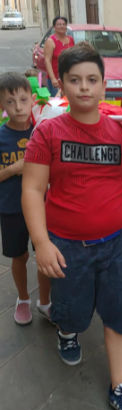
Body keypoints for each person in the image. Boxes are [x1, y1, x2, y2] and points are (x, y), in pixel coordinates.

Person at [22, 42, 122, 410]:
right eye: (75, 80)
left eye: (92, 80)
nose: (84, 88)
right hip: (67, 244)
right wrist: (41, 243)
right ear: (64, 86)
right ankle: (68, 331)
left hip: (120, 241)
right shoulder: (48, 132)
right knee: (69, 309)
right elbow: (34, 190)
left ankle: (120, 386)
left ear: (104, 85)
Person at [0, 72, 51, 325]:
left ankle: (45, 300)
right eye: (10, 102)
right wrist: (13, 169)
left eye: (23, 100)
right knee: (18, 256)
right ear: (2, 105)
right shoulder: (1, 137)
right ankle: (23, 299)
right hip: (11, 208)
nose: (18, 107)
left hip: (43, 206)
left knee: (45, 253)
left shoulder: (43, 130)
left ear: (33, 100)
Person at [43, 16, 75, 97]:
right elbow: (47, 61)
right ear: (54, 27)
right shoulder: (50, 41)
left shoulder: (70, 39)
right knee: (56, 103)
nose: (62, 26)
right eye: (59, 24)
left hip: (69, 77)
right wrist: (53, 78)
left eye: (64, 24)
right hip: (56, 79)